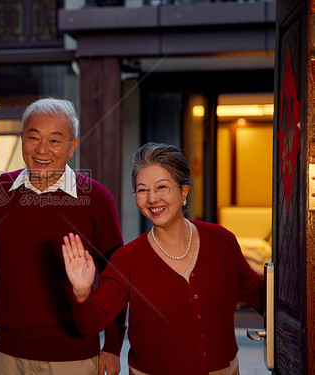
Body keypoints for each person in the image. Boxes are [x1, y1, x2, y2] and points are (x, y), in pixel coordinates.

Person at [62, 142, 265, 375]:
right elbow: (91, 324)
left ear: (184, 192)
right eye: (142, 190)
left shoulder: (221, 241)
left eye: (161, 187)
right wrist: (82, 292)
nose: (152, 199)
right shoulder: (127, 260)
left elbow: (257, 293)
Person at [0, 97, 127, 375]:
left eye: (55, 140)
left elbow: (115, 276)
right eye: (34, 137)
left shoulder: (96, 198)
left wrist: (112, 346)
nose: (42, 150)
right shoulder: (0, 190)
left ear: (72, 146)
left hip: (73, 356)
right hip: (8, 354)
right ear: (22, 138)